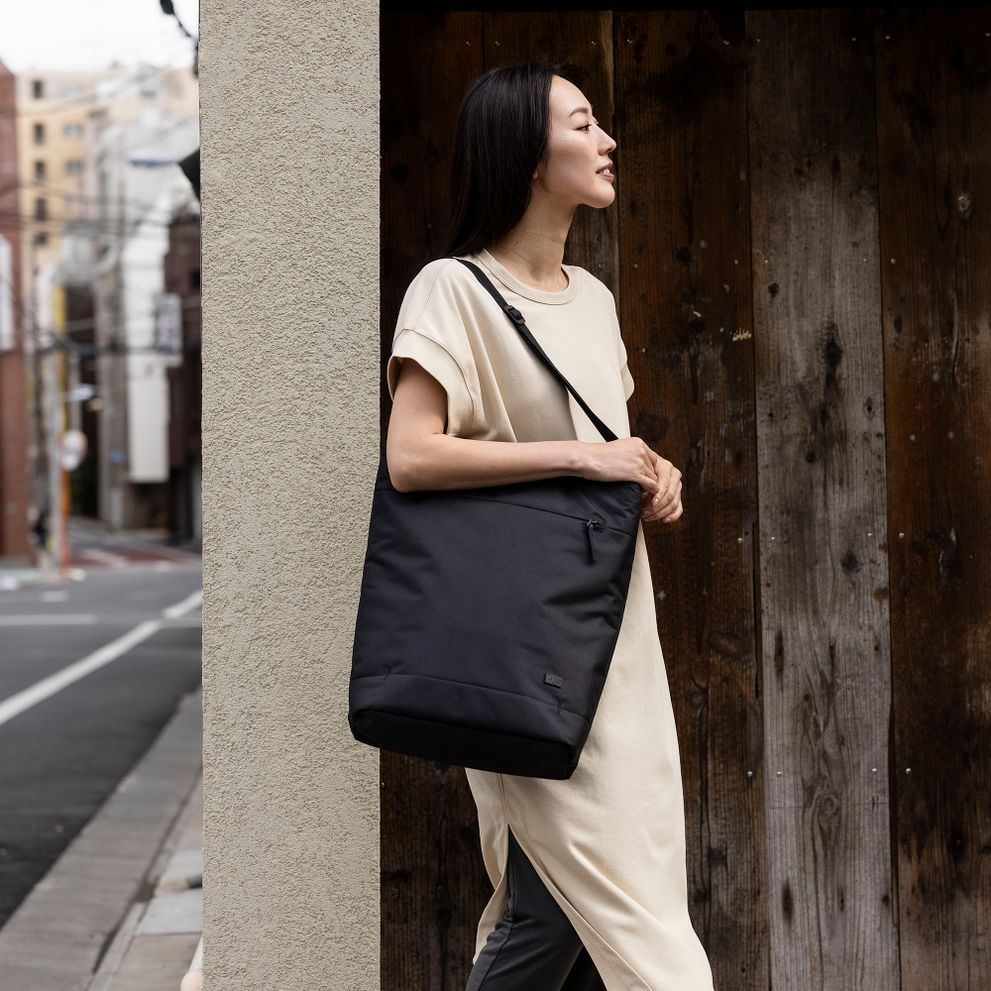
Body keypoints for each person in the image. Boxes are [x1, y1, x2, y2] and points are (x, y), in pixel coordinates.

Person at [385, 58, 715, 991]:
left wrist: (646, 468)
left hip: (615, 639)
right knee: (643, 935)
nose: (606, 141)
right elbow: (412, 456)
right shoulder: (450, 290)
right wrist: (584, 459)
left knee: (549, 912)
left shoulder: (594, 301)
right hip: (526, 653)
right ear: (526, 154)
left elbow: (597, 446)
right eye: (581, 124)